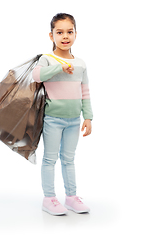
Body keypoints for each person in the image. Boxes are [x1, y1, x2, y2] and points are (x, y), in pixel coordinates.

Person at [32, 13, 93, 216]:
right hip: (52, 119)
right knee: (50, 159)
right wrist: (59, 67)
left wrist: (88, 117)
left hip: (74, 120)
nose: (65, 36)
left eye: (69, 32)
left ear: (76, 34)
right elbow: (37, 75)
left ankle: (71, 198)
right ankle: (49, 199)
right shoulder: (47, 59)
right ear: (51, 36)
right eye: (60, 32)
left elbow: (85, 91)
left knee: (69, 159)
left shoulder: (81, 63)